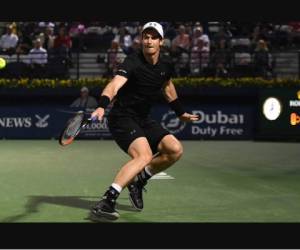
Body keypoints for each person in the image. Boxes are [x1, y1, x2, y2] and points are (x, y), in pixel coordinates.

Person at [90, 22, 199, 221]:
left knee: (175, 149)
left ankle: (139, 181)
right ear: (141, 40)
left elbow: (167, 87)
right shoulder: (132, 62)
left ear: (161, 42)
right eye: (145, 37)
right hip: (122, 117)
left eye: (153, 37)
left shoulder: (165, 67)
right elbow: (114, 85)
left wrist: (180, 113)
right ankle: (108, 201)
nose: (148, 40)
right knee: (144, 155)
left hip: (143, 119)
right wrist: (101, 105)